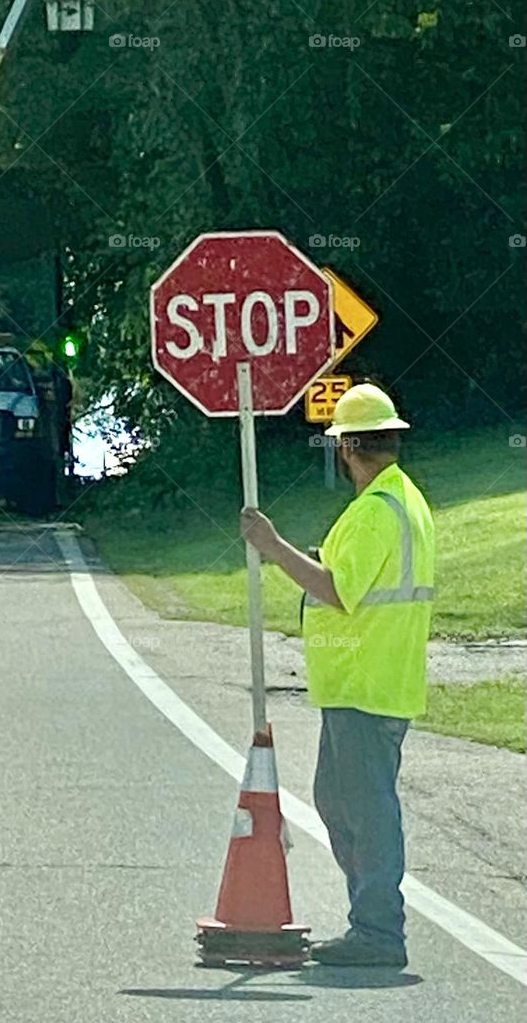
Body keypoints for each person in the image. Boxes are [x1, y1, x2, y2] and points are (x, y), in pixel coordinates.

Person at [240, 383, 434, 969]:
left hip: (367, 682)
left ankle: (377, 929)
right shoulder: (401, 499)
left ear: (347, 447)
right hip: (369, 679)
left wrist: (273, 547)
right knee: (340, 800)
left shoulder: (378, 510)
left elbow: (336, 588)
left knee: (365, 809)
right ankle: (370, 919)